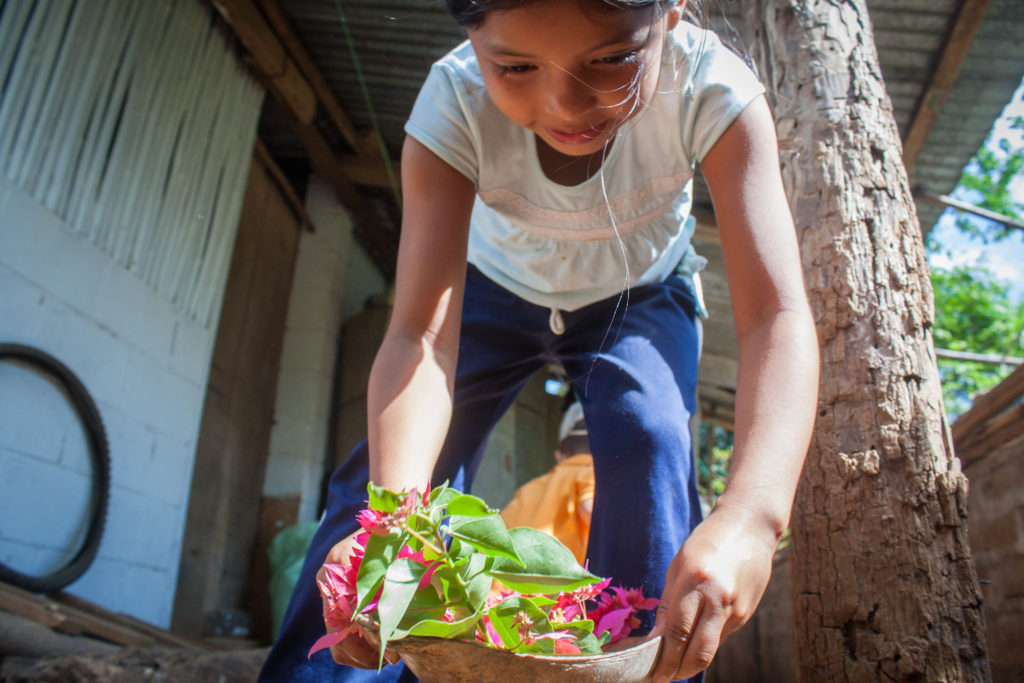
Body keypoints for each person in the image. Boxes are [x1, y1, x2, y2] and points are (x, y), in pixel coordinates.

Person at [258, 1, 818, 682]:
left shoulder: (714, 89)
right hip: (490, 289)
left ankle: (639, 663)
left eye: (612, 59)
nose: (565, 103)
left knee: (651, 438)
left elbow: (775, 317)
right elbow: (419, 337)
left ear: (670, 14)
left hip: (639, 291)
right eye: (516, 65)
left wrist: (753, 519)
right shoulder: (454, 103)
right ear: (472, 36)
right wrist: (396, 529)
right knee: (385, 493)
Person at [500, 402, 595, 564]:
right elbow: (588, 508)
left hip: (499, 584)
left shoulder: (530, 487)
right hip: (549, 583)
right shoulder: (590, 472)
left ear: (559, 455)